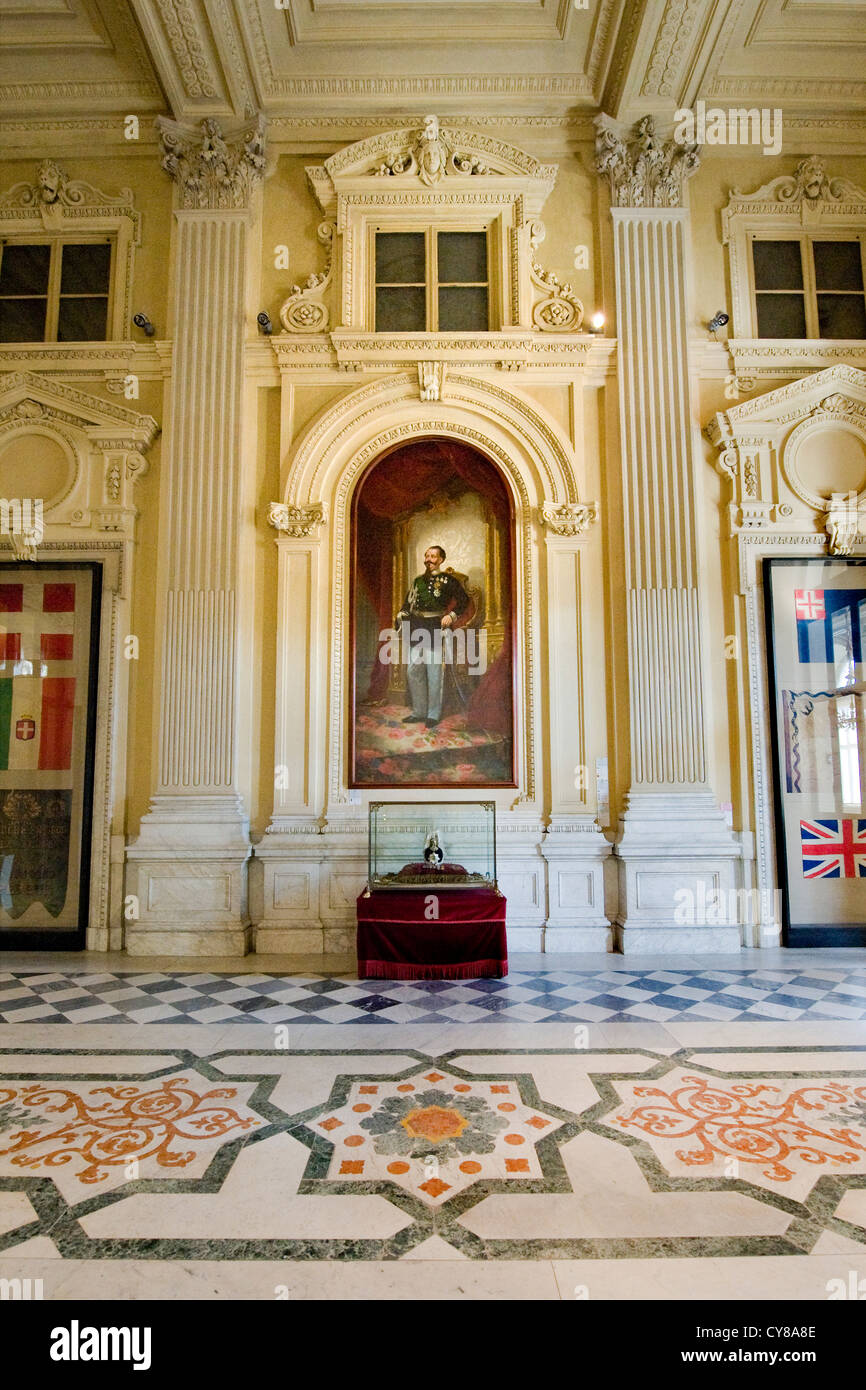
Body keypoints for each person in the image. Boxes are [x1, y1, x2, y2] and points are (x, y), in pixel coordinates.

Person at [396, 545, 470, 728]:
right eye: (427, 555)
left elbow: (464, 600)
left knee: (434, 672)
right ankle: (419, 711)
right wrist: (402, 614)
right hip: (417, 627)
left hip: (435, 627)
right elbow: (407, 604)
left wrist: (451, 616)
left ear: (441, 560)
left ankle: (433, 714)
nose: (429, 559)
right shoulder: (417, 581)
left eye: (433, 556)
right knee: (414, 671)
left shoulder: (448, 580)